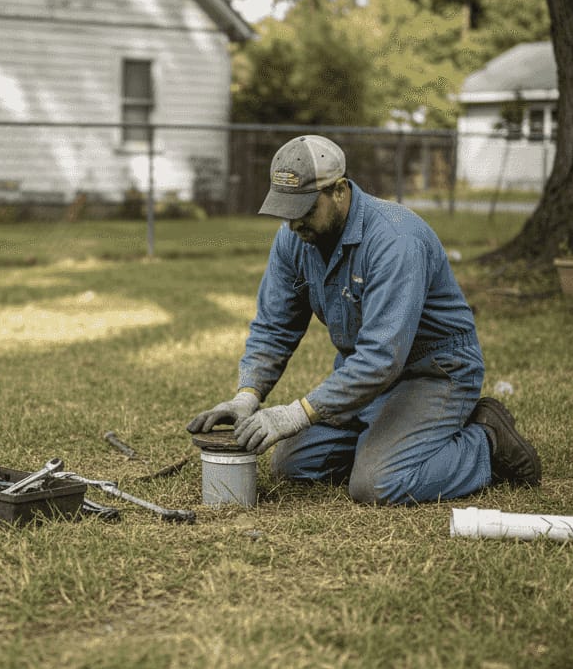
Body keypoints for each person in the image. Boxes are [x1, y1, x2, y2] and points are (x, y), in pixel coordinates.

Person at [187, 135, 540, 505]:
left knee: (378, 485)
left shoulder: (395, 240)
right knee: (292, 464)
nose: (293, 224)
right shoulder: (294, 237)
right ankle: (392, 439)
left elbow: (382, 357)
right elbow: (275, 326)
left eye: (305, 209)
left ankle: (486, 442)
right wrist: (247, 397)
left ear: (339, 191)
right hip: (369, 381)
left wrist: (295, 414)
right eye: (286, 210)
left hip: (433, 373)